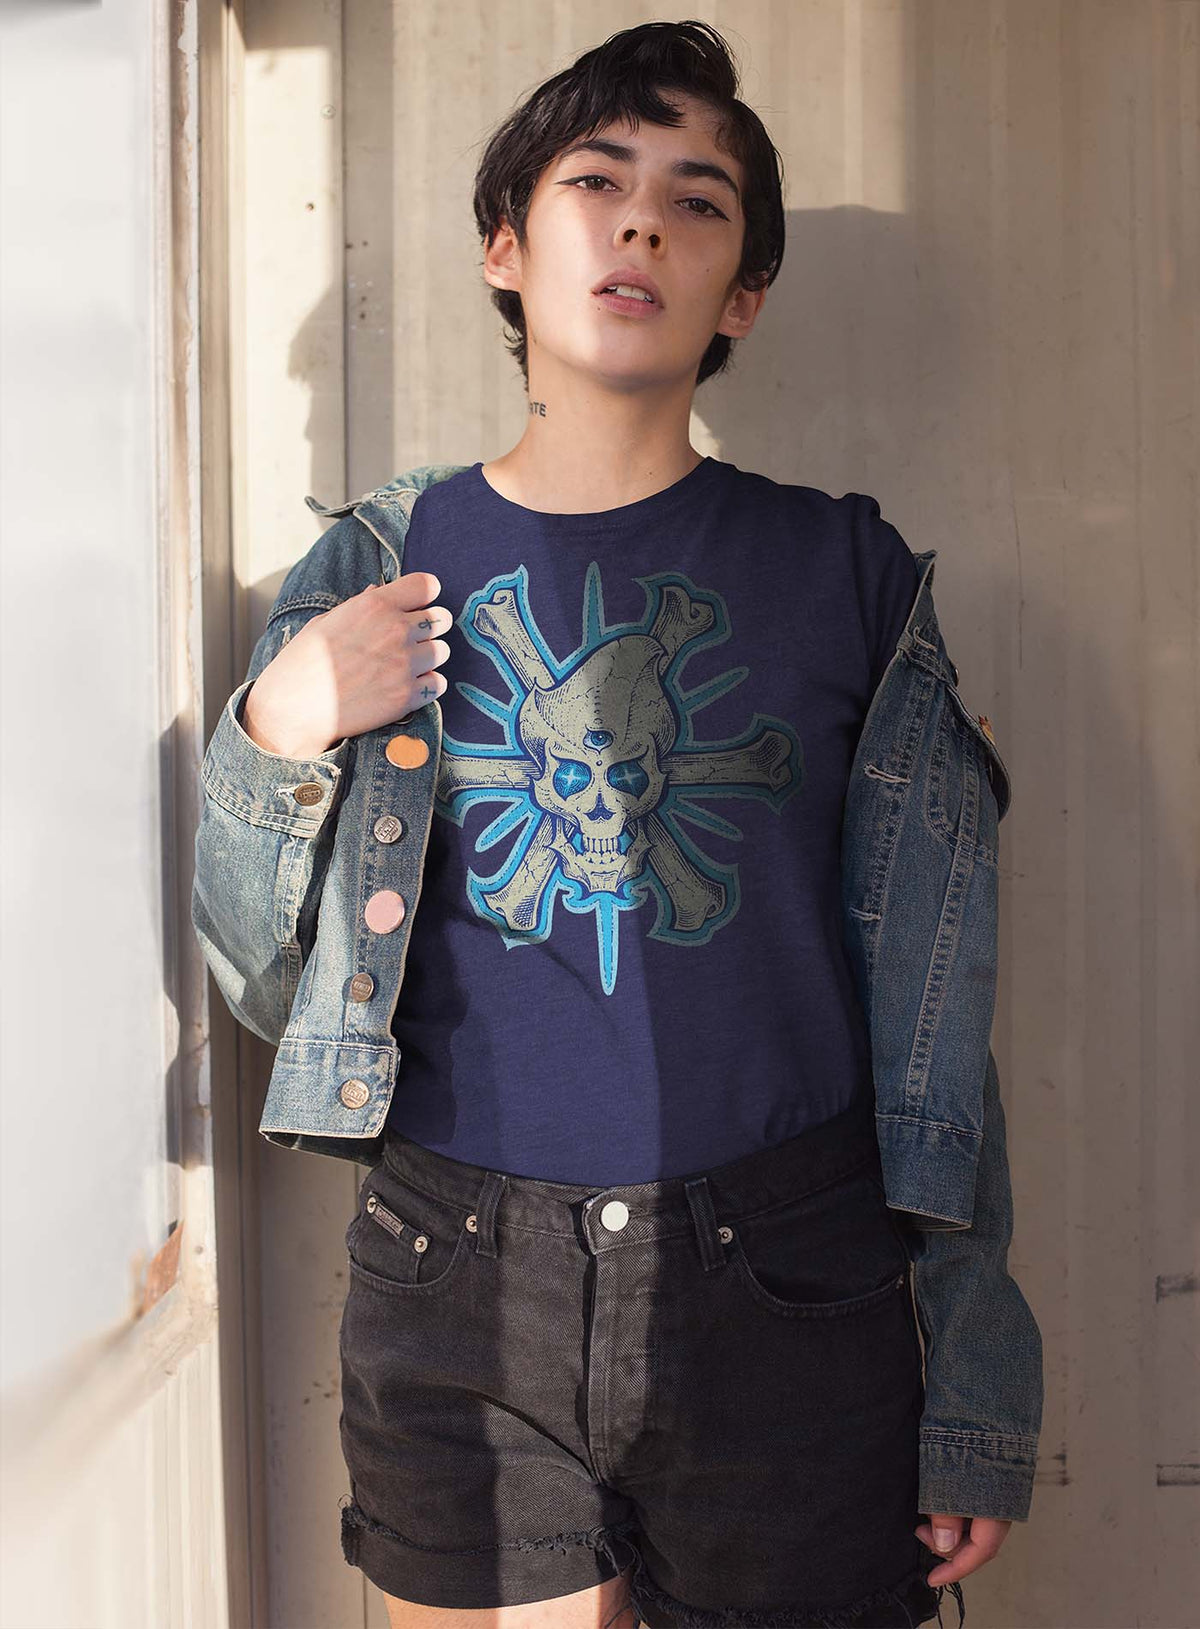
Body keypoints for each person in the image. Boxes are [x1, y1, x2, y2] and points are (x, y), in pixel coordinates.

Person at [210, 19, 1040, 1628]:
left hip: (794, 1272)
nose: (643, 219)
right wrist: (283, 725)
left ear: (743, 297)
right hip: (457, 1267)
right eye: (596, 179)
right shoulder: (382, 567)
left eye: (698, 198)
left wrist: (975, 1378)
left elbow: (939, 1024)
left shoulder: (855, 581)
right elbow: (263, 983)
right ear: (507, 247)